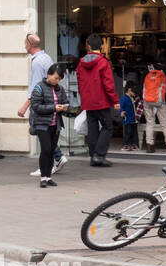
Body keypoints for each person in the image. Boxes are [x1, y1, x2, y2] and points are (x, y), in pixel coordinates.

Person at [17, 33, 66, 177]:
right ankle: (55, 160)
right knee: (46, 135)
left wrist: (25, 106)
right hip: (51, 103)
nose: (24, 45)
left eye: (25, 43)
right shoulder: (47, 58)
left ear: (29, 44)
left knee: (40, 132)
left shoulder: (38, 62)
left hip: (43, 106)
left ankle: (50, 164)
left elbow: (36, 87)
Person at [76, 33, 117, 167]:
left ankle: (93, 155)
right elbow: (108, 84)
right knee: (108, 127)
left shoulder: (81, 64)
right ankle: (99, 155)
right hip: (101, 101)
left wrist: (83, 100)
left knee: (92, 129)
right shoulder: (103, 62)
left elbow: (79, 83)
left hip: (88, 102)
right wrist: (115, 101)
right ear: (102, 45)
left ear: (88, 45)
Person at [29, 63, 70, 188]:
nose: (57, 81)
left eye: (59, 79)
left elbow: (66, 102)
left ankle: (48, 177)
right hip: (42, 124)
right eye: (56, 78)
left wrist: (65, 108)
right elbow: (35, 106)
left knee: (51, 150)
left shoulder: (60, 89)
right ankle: (43, 178)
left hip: (55, 124)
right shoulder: (39, 87)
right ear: (49, 75)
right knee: (45, 150)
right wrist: (53, 108)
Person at [141, 62, 166, 153]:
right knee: (164, 124)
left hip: (147, 100)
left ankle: (149, 146)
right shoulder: (165, 70)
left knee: (150, 123)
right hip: (161, 101)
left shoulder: (147, 69)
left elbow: (140, 85)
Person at [119, 82, 140, 151]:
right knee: (127, 132)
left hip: (134, 119)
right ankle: (125, 145)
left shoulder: (132, 98)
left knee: (135, 132)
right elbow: (121, 106)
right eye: (133, 92)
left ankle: (135, 144)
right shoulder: (124, 98)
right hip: (127, 119)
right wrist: (121, 111)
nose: (135, 94)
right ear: (129, 90)